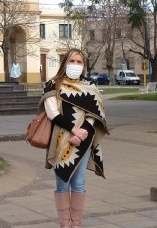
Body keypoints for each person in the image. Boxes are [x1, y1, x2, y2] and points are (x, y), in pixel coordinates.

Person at [39, 48, 109, 228]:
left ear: (84, 66)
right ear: (65, 63)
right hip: (60, 140)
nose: (76, 65)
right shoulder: (53, 84)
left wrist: (83, 132)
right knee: (62, 183)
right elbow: (52, 113)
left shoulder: (90, 87)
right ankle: (65, 224)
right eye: (72, 61)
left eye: (79, 62)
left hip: (84, 140)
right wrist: (73, 130)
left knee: (79, 182)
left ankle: (76, 224)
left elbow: (93, 113)